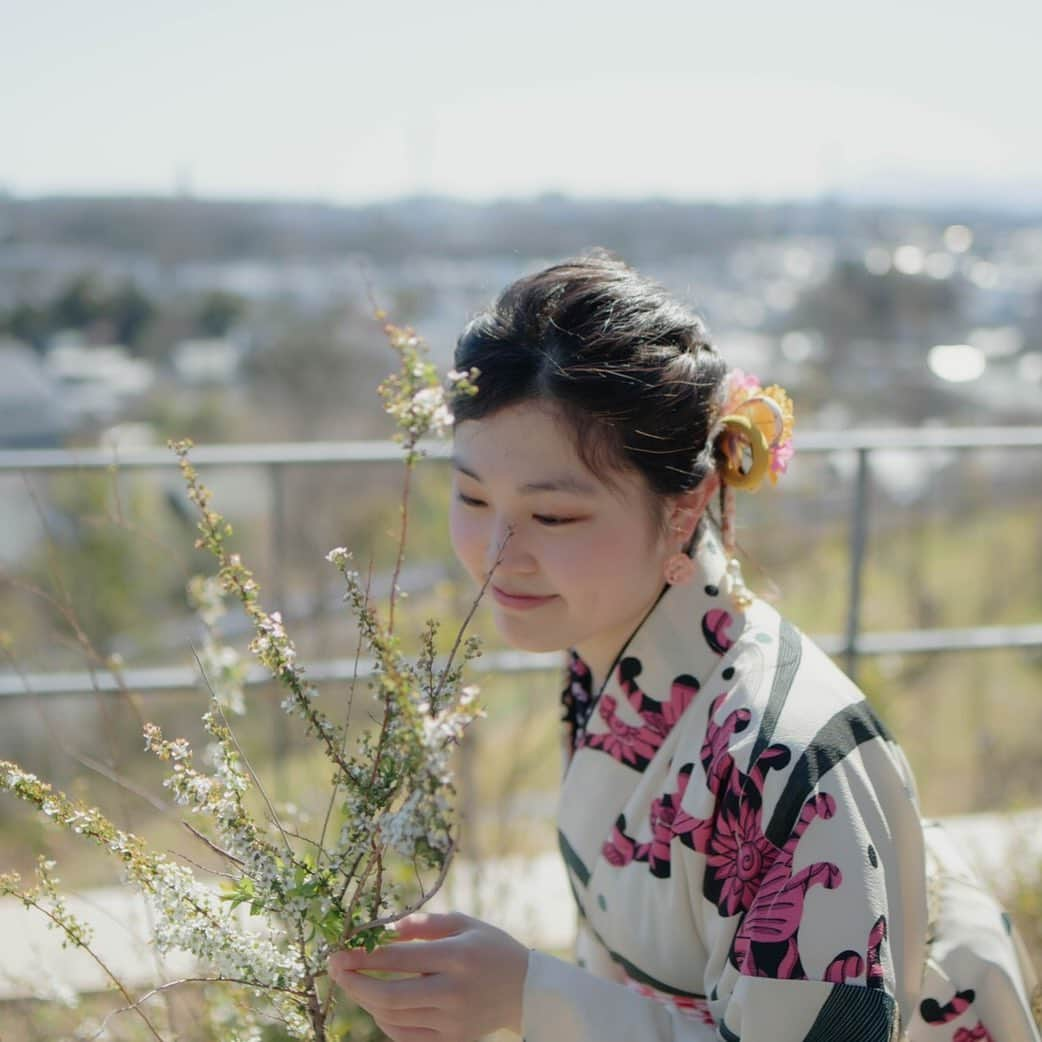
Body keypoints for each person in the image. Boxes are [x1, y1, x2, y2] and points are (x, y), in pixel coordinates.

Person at [329, 253, 1041, 1042]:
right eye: (470, 496)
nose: (497, 552)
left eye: (554, 517)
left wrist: (530, 1000)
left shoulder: (785, 752)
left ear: (683, 506)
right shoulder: (607, 643)